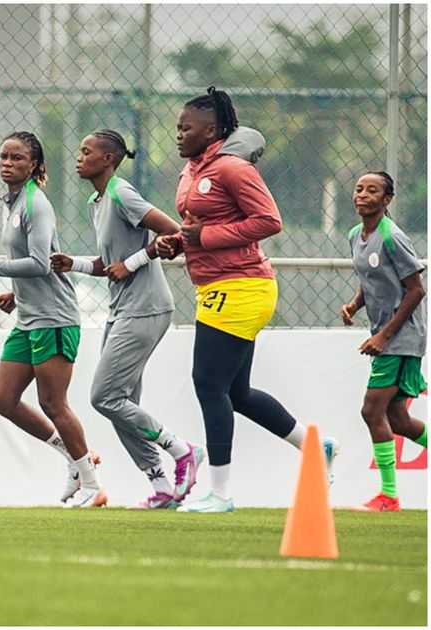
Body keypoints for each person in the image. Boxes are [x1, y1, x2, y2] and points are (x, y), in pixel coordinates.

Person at [157, 88, 338, 513]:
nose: (179, 134)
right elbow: (201, 226)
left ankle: (220, 493)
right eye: (178, 127)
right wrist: (179, 244)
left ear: (212, 131)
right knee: (235, 393)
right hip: (216, 286)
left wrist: (206, 238)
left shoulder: (233, 169)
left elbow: (269, 221)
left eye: (187, 128)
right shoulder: (191, 171)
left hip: (242, 285)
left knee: (208, 383)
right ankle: (316, 446)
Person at [51, 129, 202, 509]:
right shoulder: (96, 201)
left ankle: (183, 451)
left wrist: (134, 262)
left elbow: (173, 231)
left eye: (87, 152)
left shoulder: (122, 192)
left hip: (147, 307)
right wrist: (76, 264)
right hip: (121, 310)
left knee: (105, 397)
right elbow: (109, 264)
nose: (79, 157)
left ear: (108, 159)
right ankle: (163, 487)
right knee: (123, 407)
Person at [0, 130, 105, 508]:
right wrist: (14, 294)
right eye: (3, 157)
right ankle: (72, 457)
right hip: (28, 318)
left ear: (35, 165)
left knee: (54, 403)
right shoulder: (14, 202)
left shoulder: (36, 204)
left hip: (54, 319)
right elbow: (37, 265)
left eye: (17, 158)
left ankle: (91, 483)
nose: (7, 164)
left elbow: (40, 264)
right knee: (3, 400)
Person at [341, 171, 427, 512]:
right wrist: (354, 304)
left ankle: (388, 496)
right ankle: (388, 497)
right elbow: (372, 279)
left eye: (372, 190)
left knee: (371, 409)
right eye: (359, 188)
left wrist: (383, 335)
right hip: (389, 337)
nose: (363, 194)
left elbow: (416, 290)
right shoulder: (354, 235)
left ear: (386, 199)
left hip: (401, 338)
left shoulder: (392, 237)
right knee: (398, 419)